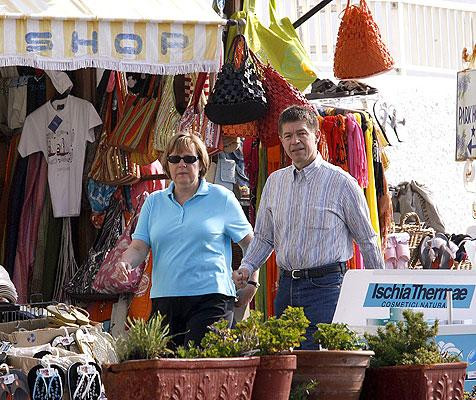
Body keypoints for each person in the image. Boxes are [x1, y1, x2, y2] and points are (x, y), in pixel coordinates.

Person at [232, 105, 384, 349]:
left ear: (317, 135)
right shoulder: (274, 182)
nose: (295, 141)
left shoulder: (342, 183)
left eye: (301, 133)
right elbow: (263, 237)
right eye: (288, 136)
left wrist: (380, 288)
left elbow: (367, 240)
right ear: (281, 140)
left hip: (327, 288)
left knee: (321, 365)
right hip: (286, 289)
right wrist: (248, 267)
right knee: (287, 366)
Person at [116, 133, 254, 347]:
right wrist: (125, 263)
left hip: (211, 298)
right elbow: (139, 247)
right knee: (166, 373)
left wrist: (252, 282)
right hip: (165, 299)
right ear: (167, 164)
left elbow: (251, 244)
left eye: (189, 159)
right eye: (174, 159)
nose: (182, 164)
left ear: (201, 163)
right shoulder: (154, 202)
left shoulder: (222, 198)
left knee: (200, 367)